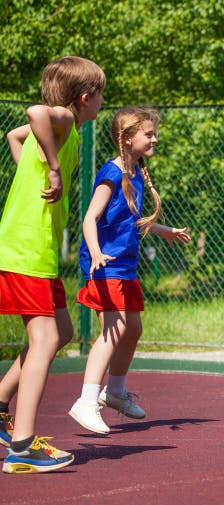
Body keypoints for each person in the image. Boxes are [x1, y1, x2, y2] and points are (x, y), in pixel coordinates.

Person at [0, 56, 106, 473]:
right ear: (85, 98)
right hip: (25, 248)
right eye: (100, 95)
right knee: (44, 339)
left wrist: (35, 169)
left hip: (31, 248)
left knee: (61, 330)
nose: (103, 102)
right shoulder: (62, 119)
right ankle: (22, 447)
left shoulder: (65, 130)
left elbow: (13, 134)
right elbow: (34, 112)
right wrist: (55, 170)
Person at [67, 106, 190, 435]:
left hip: (125, 266)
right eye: (148, 134)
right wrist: (95, 252)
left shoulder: (135, 172)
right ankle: (86, 400)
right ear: (126, 138)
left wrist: (162, 230)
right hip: (105, 265)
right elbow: (90, 218)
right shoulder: (112, 173)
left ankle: (115, 393)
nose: (155, 138)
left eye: (154, 133)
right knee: (113, 330)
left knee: (132, 329)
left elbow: (127, 221)